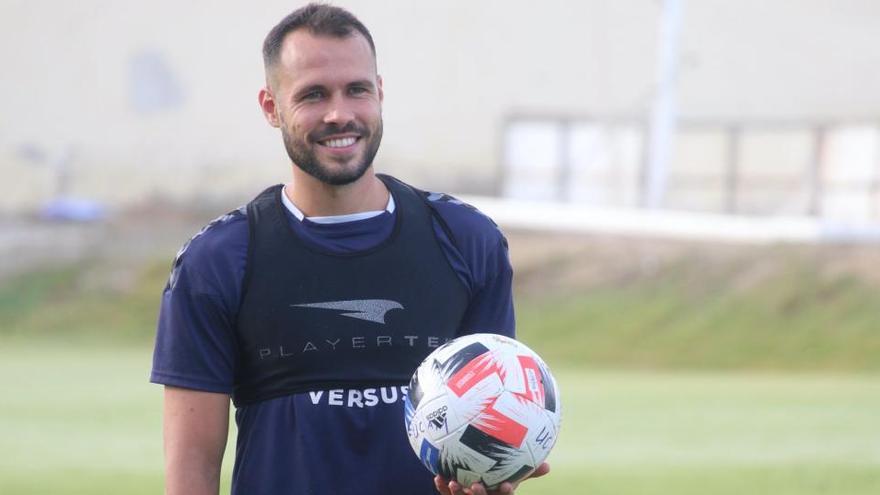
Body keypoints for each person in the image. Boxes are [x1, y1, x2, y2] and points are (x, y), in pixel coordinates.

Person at [150, 4, 549, 495]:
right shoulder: (217, 260)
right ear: (271, 107)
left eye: (356, 90)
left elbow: (492, 412)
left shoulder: (467, 241)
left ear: (380, 93)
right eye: (313, 95)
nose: (340, 114)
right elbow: (190, 471)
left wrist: (496, 473)